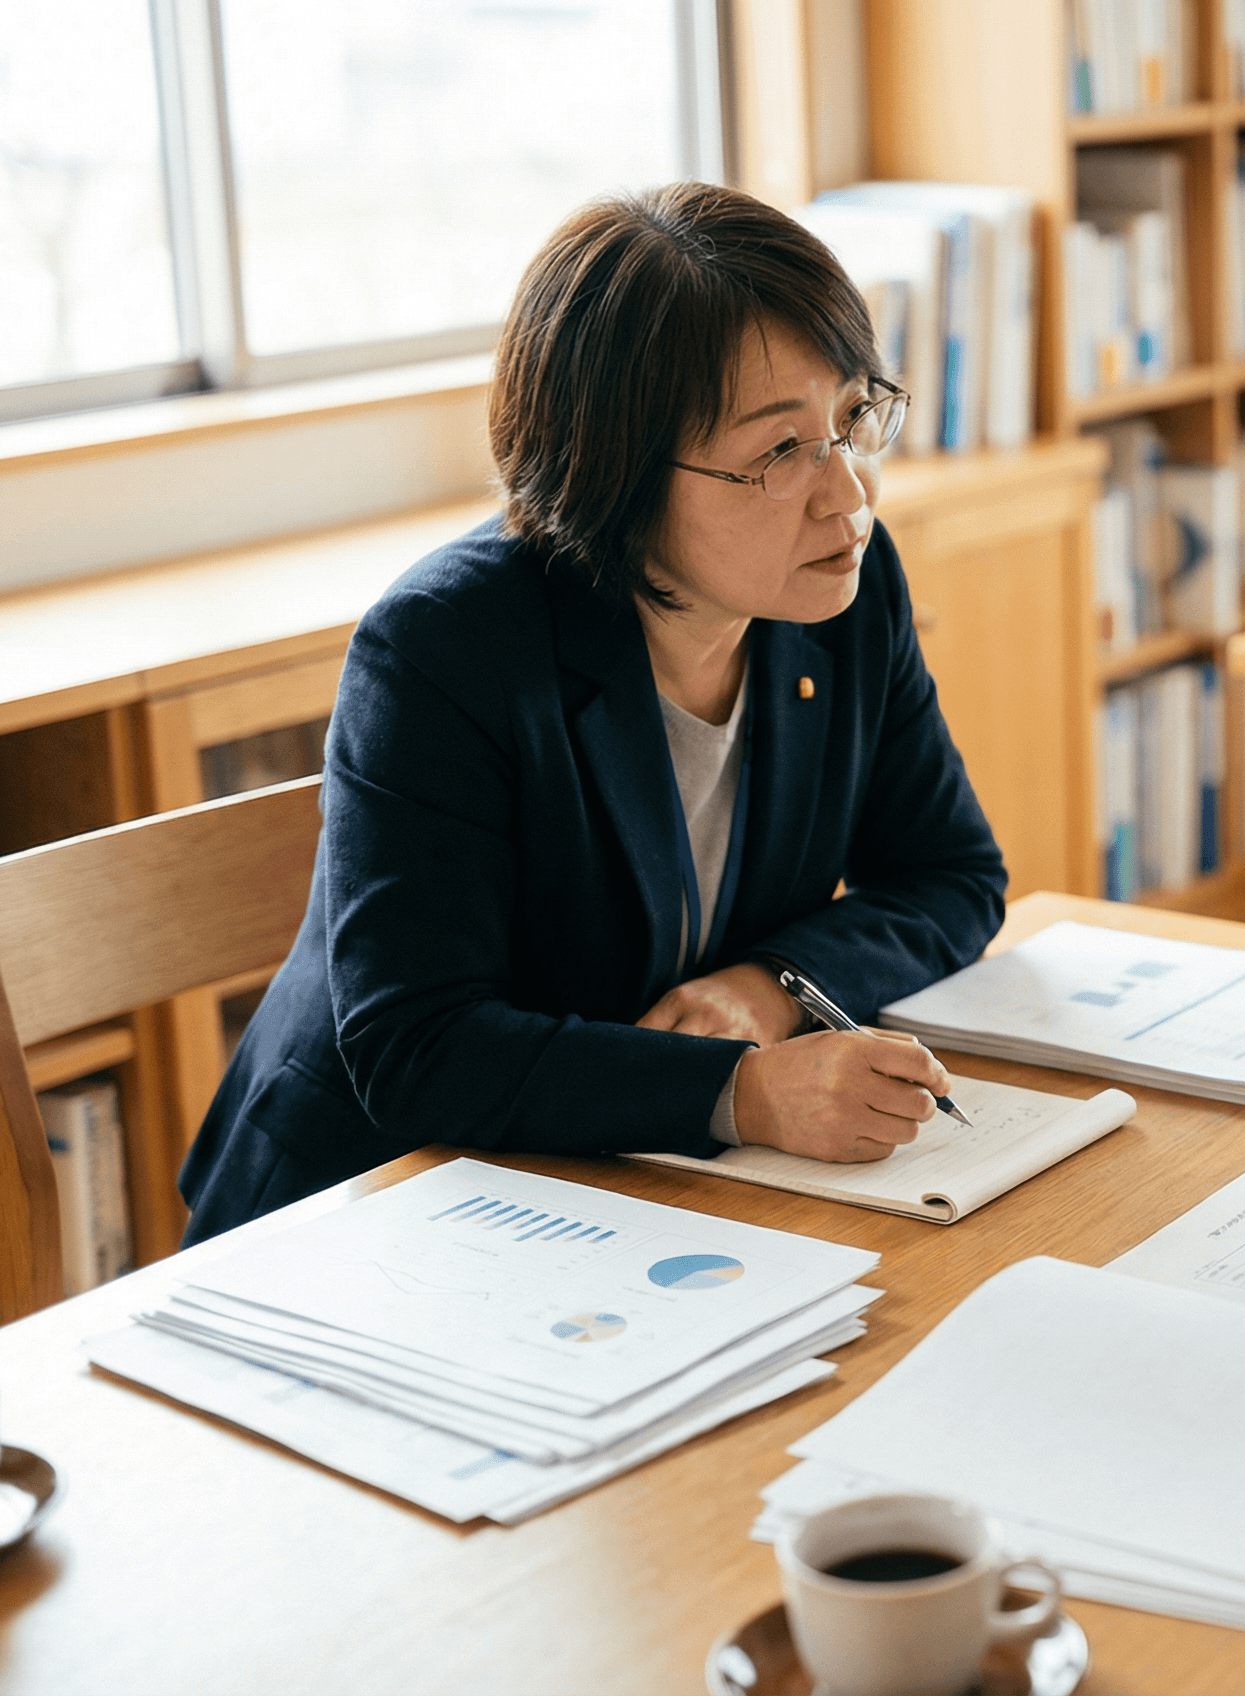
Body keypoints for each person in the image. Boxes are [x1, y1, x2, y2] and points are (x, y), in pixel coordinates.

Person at [180, 182, 1006, 1241]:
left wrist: (770, 985)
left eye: (851, 419)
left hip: (635, 1191)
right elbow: (418, 1044)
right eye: (777, 453)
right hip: (375, 1207)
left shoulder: (844, 586)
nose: (847, 494)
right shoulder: (445, 647)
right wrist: (742, 1092)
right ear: (616, 474)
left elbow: (952, 874)